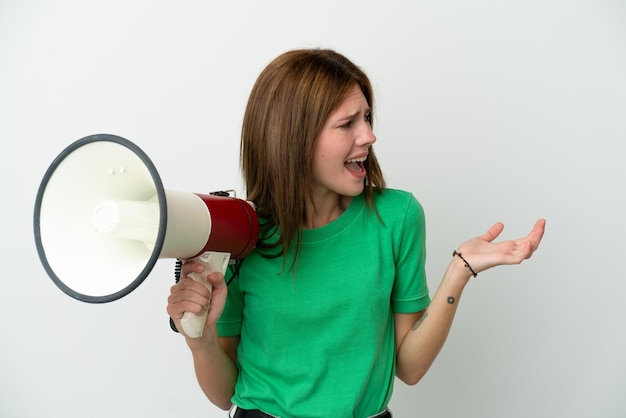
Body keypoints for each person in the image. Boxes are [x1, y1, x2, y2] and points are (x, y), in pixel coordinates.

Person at [167, 48, 545, 418]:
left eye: (367, 118)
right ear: (294, 137)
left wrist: (459, 271)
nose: (369, 136)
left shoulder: (397, 217)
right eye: (348, 123)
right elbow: (224, 395)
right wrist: (199, 340)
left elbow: (409, 368)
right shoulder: (241, 233)